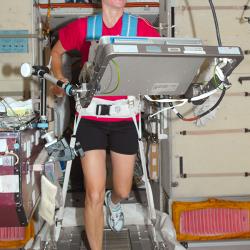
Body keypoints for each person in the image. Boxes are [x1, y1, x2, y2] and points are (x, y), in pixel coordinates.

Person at [51, 0, 159, 249]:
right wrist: (59, 77)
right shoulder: (84, 27)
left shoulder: (140, 28)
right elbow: (56, 53)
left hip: (125, 118)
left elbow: (162, 55)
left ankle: (116, 202)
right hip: (90, 118)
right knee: (93, 193)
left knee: (122, 188)